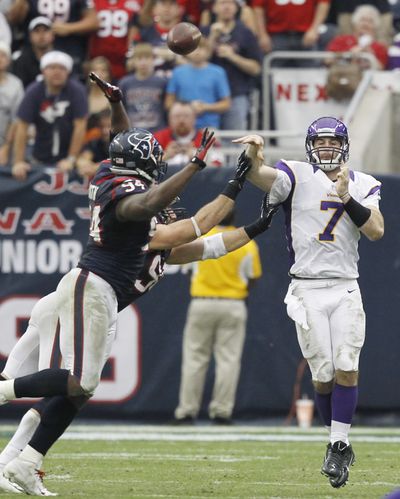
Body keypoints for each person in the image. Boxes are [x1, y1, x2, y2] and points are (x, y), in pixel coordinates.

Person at [0, 71, 247, 496]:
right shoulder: (137, 207)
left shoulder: (108, 170)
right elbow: (168, 213)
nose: (156, 167)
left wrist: (117, 104)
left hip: (99, 292)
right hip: (92, 285)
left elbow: (123, 142)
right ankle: (5, 393)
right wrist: (196, 166)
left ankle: (25, 460)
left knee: (76, 391)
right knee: (79, 382)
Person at [233, 116, 384, 488]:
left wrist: (346, 195)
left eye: (333, 142)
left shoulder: (363, 182)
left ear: (344, 145)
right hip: (306, 287)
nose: (327, 148)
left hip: (346, 284)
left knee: (347, 366)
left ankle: (339, 444)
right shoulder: (296, 174)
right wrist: (254, 155)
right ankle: (333, 439)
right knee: (323, 376)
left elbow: (376, 230)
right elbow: (258, 176)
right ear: (310, 146)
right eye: (321, 142)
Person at [173, 206, 263, 425]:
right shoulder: (246, 244)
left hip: (202, 302)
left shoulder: (201, 239)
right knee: (228, 360)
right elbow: (253, 277)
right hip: (233, 304)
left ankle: (187, 411)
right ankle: (221, 411)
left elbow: (187, 272)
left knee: (194, 359)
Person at [12, 50, 88, 181]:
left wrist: (71, 158)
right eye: (51, 68)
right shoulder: (34, 91)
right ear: (43, 71)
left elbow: (80, 126)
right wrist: (18, 161)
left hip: (69, 158)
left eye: (61, 68)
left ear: (68, 72)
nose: (56, 72)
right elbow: (22, 126)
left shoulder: (77, 91)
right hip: (39, 156)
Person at [204, 0, 262, 130]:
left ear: (237, 8)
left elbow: (256, 68)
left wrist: (233, 57)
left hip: (236, 95)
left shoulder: (246, 33)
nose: (227, 6)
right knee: (206, 144)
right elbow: (195, 60)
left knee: (235, 143)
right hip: (207, 96)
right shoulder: (204, 32)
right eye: (222, 3)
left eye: (231, 3)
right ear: (214, 8)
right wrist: (212, 37)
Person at [165, 37, 231, 130]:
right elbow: (168, 103)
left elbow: (226, 104)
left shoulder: (218, 72)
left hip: (209, 126)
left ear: (208, 51)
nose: (197, 51)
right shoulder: (178, 73)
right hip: (182, 127)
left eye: (201, 48)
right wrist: (187, 108)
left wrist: (206, 107)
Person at [251, 0, 331, 65]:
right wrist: (262, 35)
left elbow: (323, 3)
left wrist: (314, 29)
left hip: (305, 35)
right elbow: (258, 7)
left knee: (311, 72)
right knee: (272, 72)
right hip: (276, 35)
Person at [154, 101, 223, 166]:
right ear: (169, 118)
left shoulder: (207, 140)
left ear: (194, 118)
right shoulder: (156, 139)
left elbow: (218, 166)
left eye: (186, 116)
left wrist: (196, 157)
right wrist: (165, 156)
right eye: (177, 116)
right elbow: (145, 167)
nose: (181, 120)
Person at [119, 42, 167, 133]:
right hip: (132, 132)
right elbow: (121, 109)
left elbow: (166, 108)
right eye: (139, 58)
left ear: (153, 60)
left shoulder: (161, 82)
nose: (143, 62)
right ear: (133, 61)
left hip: (157, 131)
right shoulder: (125, 83)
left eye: (147, 58)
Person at [326, 4, 389, 69]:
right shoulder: (340, 40)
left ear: (375, 26)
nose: (366, 24)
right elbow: (327, 60)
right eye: (362, 20)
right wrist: (348, 54)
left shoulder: (380, 47)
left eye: (370, 21)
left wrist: (369, 55)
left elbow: (381, 69)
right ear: (355, 22)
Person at [11, 16, 54, 88]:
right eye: (37, 31)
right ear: (30, 36)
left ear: (53, 35)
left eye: (45, 30)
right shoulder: (21, 60)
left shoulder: (60, 59)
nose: (41, 35)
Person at [0, 41, 24, 167]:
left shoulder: (16, 84)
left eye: (3, 55)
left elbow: (17, 120)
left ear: (9, 60)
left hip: (5, 145)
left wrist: (5, 147)